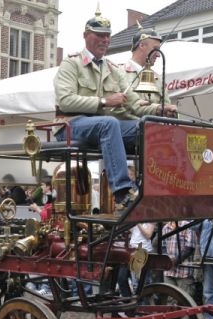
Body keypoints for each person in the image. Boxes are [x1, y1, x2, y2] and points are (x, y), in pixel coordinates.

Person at [53, 8, 177, 213]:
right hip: (70, 125)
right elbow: (65, 101)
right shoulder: (71, 63)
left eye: (107, 36)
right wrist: (104, 101)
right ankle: (122, 192)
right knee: (108, 123)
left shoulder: (112, 69)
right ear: (86, 36)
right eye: (99, 35)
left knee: (146, 128)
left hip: (100, 128)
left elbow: (135, 104)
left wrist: (161, 109)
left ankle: (154, 188)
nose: (104, 40)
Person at [125, 27, 171, 105]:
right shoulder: (119, 73)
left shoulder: (158, 79)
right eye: (155, 49)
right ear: (142, 46)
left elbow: (167, 107)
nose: (158, 55)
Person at [162, 220, 196, 298]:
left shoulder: (187, 225)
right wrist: (167, 261)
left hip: (183, 271)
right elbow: (163, 247)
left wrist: (175, 261)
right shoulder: (165, 228)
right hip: (169, 272)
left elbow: (190, 248)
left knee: (185, 299)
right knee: (170, 299)